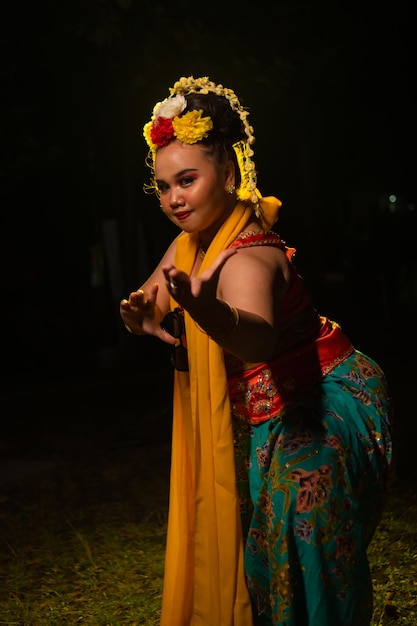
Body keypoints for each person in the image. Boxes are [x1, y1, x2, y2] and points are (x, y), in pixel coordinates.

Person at [120, 76, 393, 626]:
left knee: (299, 527)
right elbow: (150, 303)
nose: (174, 199)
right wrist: (141, 319)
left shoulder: (247, 257)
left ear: (228, 171)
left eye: (188, 180)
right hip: (262, 410)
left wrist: (210, 314)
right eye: (164, 185)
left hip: (320, 398)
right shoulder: (187, 243)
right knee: (260, 550)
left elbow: (257, 337)